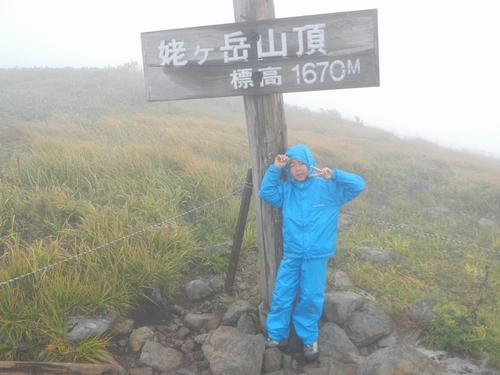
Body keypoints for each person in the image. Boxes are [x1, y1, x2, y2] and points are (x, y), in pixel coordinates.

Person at [258, 144, 365, 362]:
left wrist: (334, 175)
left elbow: (358, 185)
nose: (297, 169)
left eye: (301, 164)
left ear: (310, 164)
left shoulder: (327, 188)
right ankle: (278, 336)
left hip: (316, 257)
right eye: (293, 165)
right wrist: (275, 168)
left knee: (310, 297)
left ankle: (308, 339)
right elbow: (266, 192)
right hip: (292, 255)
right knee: (281, 295)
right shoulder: (286, 191)